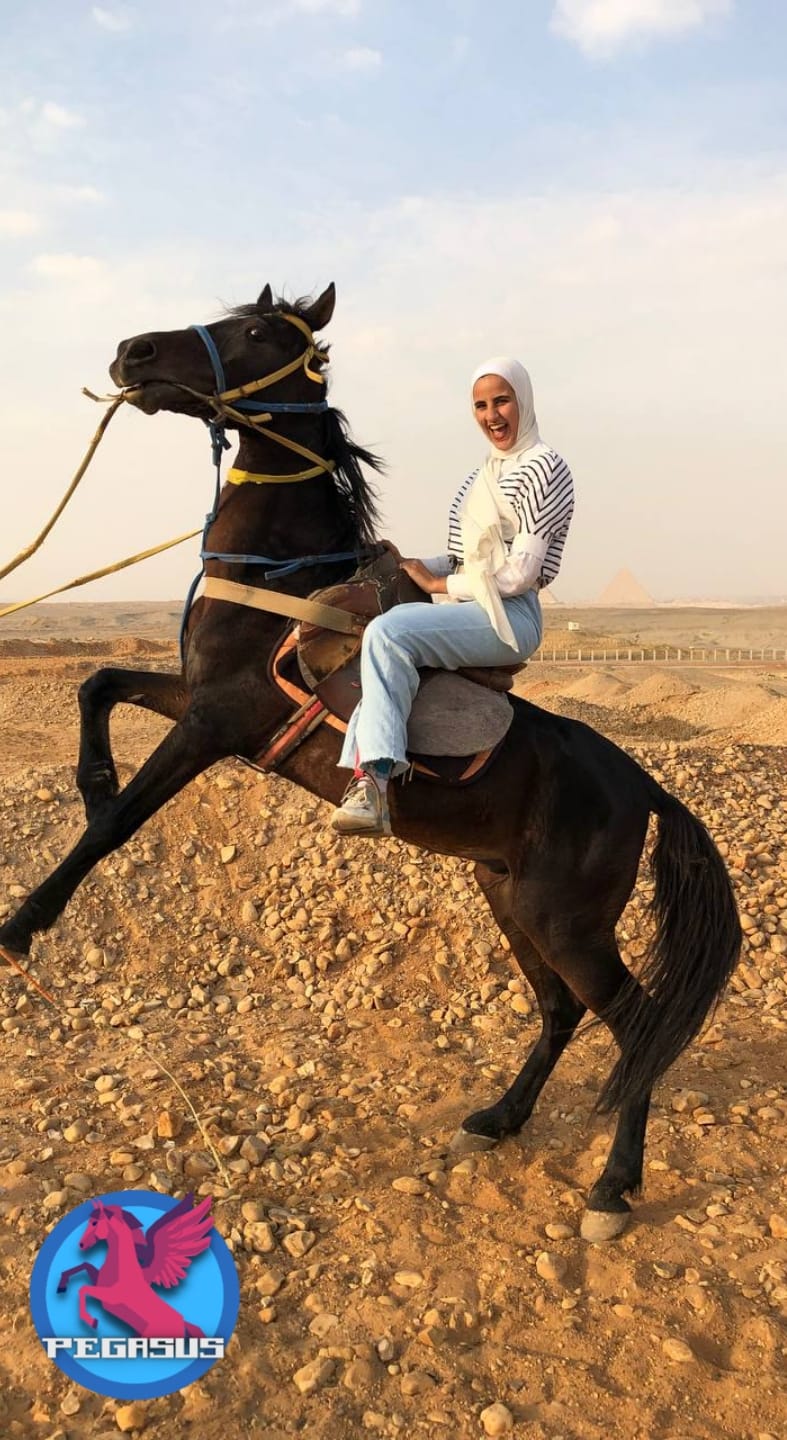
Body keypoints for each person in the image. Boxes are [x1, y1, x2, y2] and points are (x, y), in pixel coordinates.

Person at [330, 357, 575, 836]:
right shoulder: (482, 474)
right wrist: (408, 564)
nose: (492, 415)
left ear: (523, 400)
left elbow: (519, 573)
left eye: (502, 400)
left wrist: (439, 585)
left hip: (509, 617)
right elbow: (465, 556)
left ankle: (375, 782)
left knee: (389, 634)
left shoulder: (545, 468)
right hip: (471, 605)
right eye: (480, 405)